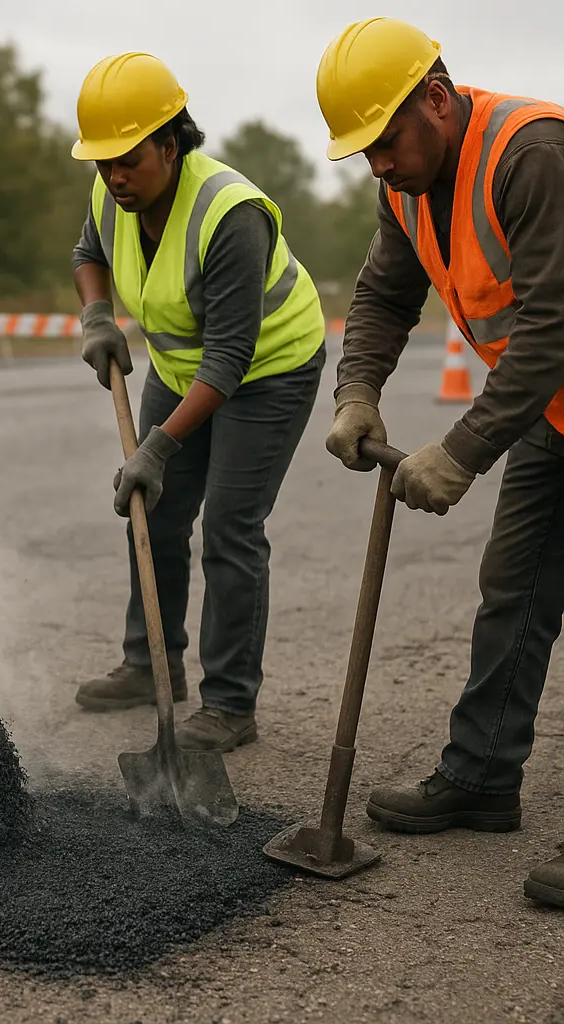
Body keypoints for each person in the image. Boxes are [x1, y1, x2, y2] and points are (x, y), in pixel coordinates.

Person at [316, 17, 564, 909]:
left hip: (551, 373)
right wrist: (357, 391)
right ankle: (484, 777)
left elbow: (550, 325)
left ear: (437, 97)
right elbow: (385, 291)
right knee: (517, 589)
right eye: (364, 153)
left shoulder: (532, 154)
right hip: (555, 410)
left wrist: (461, 451)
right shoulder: (408, 185)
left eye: (385, 142)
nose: (378, 165)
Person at [69, 52, 327, 752]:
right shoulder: (111, 196)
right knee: (149, 511)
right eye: (104, 164)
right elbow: (87, 253)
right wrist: (98, 317)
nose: (116, 177)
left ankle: (231, 705)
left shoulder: (231, 216)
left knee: (231, 529)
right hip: (185, 370)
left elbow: (231, 359)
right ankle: (149, 664)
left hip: (269, 370)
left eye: (129, 160)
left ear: (171, 142)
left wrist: (159, 445)